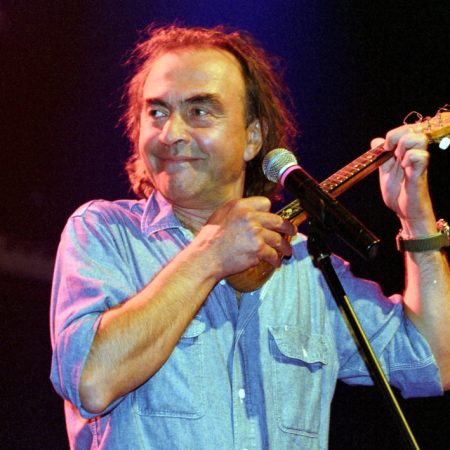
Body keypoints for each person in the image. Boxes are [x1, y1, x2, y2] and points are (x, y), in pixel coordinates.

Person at [50, 25, 450, 449]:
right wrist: (210, 254)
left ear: (253, 138)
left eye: (199, 111)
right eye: (157, 113)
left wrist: (417, 221)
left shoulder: (305, 263)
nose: (171, 134)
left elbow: (436, 361)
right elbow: (91, 382)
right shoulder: (104, 232)